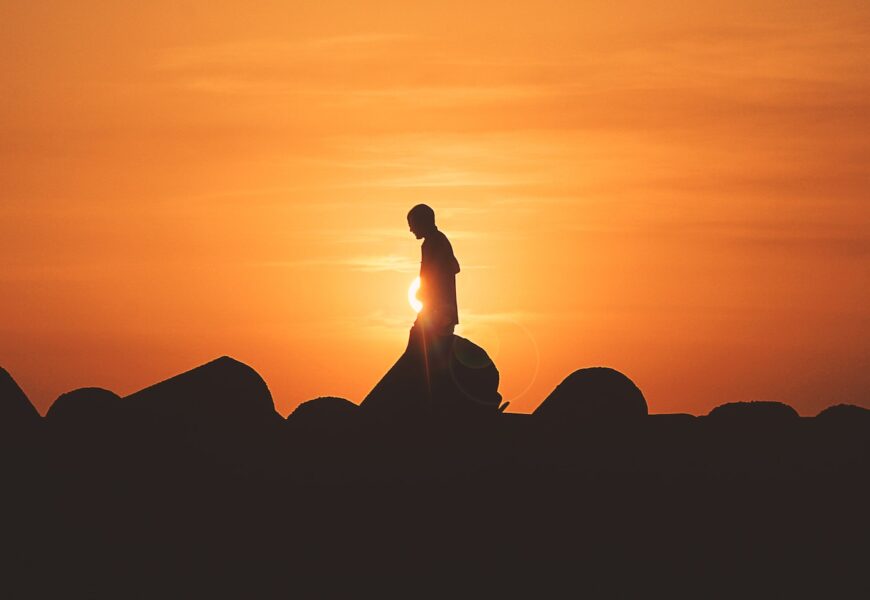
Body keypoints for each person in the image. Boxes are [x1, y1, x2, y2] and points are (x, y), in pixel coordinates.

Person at [406, 204, 461, 401]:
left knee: (430, 354)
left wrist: (429, 292)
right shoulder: (434, 242)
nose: (411, 229)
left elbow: (451, 268)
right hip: (436, 310)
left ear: (422, 222)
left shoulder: (435, 243)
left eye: (412, 224)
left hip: (438, 312)